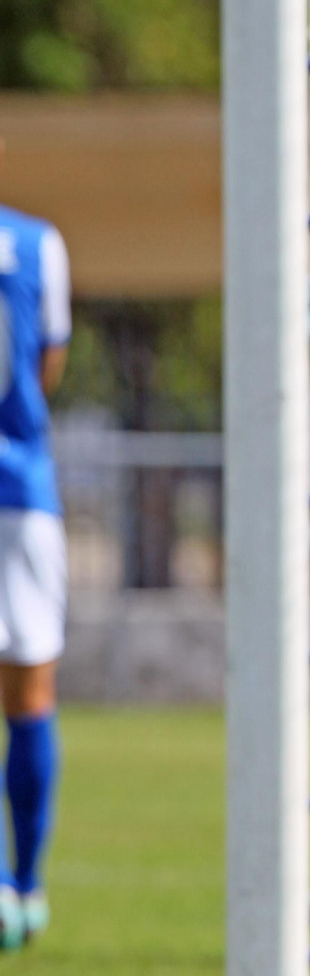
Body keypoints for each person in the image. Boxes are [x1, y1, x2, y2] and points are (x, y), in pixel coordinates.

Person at [0, 154, 71, 949]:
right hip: (21, 489)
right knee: (31, 697)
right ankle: (28, 883)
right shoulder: (38, 241)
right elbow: (45, 365)